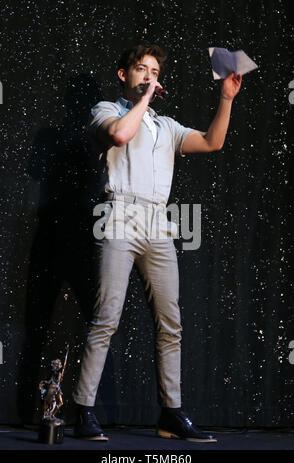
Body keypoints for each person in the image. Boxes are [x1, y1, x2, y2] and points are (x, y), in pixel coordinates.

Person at [73, 44, 242, 442]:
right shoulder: (107, 110)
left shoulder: (165, 126)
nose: (148, 75)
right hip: (119, 213)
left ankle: (171, 414)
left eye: (153, 70)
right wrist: (145, 96)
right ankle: (82, 410)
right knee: (107, 317)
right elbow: (119, 135)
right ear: (124, 75)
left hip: (158, 222)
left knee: (171, 324)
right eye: (140, 70)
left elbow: (212, 141)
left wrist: (226, 98)